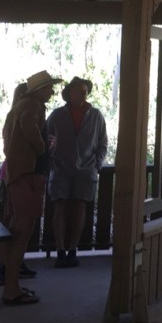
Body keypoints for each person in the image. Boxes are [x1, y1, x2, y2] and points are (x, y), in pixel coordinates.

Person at [0, 69, 62, 305]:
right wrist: (43, 147)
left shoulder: (18, 106)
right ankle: (11, 290)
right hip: (28, 175)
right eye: (49, 88)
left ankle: (12, 283)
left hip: (18, 174)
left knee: (17, 229)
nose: (52, 92)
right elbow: (29, 128)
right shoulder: (32, 106)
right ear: (39, 90)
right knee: (23, 231)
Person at [46, 76, 107, 269]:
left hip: (87, 169)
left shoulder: (96, 115)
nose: (83, 94)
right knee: (59, 208)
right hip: (60, 168)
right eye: (78, 91)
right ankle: (60, 250)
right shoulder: (57, 115)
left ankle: (73, 250)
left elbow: (103, 142)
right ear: (69, 94)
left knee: (80, 208)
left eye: (85, 91)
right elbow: (45, 136)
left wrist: (97, 165)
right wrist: (50, 159)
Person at [0, 82, 40, 286]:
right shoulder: (23, 115)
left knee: (15, 222)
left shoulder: (13, 116)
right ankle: (6, 266)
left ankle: (12, 264)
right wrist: (42, 147)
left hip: (11, 173)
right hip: (15, 175)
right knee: (16, 223)